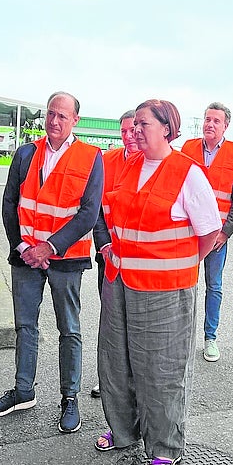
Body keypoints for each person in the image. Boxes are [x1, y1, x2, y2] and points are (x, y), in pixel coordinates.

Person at [94, 99, 221, 465]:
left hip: (165, 290)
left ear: (167, 128)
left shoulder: (188, 173)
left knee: (161, 370)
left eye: (143, 125)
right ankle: (123, 431)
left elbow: (210, 231)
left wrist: (180, 264)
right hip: (119, 282)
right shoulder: (129, 166)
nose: (134, 131)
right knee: (116, 362)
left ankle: (165, 446)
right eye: (133, 125)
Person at [0, 92, 103, 436]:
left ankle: (70, 397)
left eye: (63, 116)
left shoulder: (91, 157)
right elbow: (10, 202)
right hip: (25, 256)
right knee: (26, 326)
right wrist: (22, 245)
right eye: (51, 114)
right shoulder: (26, 153)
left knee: (70, 330)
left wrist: (48, 248)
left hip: (65, 259)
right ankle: (23, 392)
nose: (55, 121)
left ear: (75, 120)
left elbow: (88, 213)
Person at [180, 102, 233, 362]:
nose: (210, 124)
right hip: (188, 234)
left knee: (214, 287)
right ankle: (184, 336)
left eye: (216, 121)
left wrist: (225, 233)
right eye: (208, 119)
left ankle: (210, 338)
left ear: (225, 125)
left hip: (217, 237)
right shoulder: (188, 149)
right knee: (185, 285)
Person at [89, 109, 139, 398]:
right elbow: (95, 207)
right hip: (108, 256)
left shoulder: (149, 165)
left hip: (138, 261)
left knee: (135, 323)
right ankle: (109, 379)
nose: (129, 136)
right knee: (110, 320)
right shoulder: (107, 162)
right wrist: (103, 244)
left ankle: (133, 379)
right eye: (123, 131)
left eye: (133, 129)